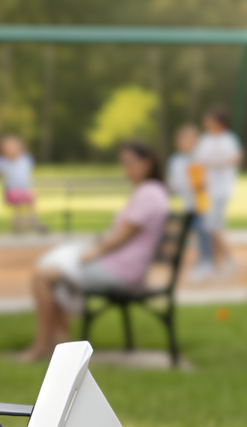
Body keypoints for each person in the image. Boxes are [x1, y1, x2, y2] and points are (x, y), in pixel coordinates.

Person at [22, 140, 169, 361]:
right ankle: (59, 343)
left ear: (147, 163)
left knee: (42, 277)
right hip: (120, 265)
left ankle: (43, 346)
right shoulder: (151, 191)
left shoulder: (149, 193)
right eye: (123, 164)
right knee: (51, 272)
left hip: (121, 270)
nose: (126, 169)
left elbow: (122, 236)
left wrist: (93, 252)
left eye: (130, 163)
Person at [192, 105, 243, 278]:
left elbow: (236, 158)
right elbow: (197, 162)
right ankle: (217, 263)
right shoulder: (205, 139)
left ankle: (229, 260)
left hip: (221, 190)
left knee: (212, 226)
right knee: (212, 226)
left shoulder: (229, 139)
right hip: (205, 190)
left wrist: (215, 164)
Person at [165, 124, 210, 274]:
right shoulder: (175, 160)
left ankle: (207, 261)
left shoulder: (199, 158)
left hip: (201, 204)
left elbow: (204, 182)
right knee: (183, 232)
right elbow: (173, 182)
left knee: (205, 232)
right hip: (188, 204)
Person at [0, 134, 45, 234]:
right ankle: (25, 224)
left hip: (25, 189)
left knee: (27, 206)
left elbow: (27, 168)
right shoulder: (4, 162)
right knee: (19, 208)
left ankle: (31, 222)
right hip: (12, 190)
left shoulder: (25, 159)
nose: (12, 149)